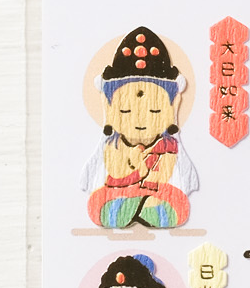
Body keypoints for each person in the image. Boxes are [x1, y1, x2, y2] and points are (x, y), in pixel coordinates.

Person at [83, 25, 197, 231]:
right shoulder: (114, 145)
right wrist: (132, 165)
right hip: (119, 190)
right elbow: (115, 170)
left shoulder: (168, 146)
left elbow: (164, 173)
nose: (140, 121)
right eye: (125, 111)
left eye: (155, 111)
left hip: (155, 191)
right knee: (98, 202)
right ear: (109, 108)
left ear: (173, 106)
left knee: (177, 203)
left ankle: (139, 209)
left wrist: (149, 173)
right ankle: (137, 209)